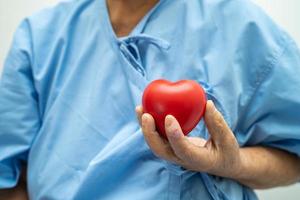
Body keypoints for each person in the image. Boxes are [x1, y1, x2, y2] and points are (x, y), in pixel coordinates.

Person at [1, 0, 300, 199]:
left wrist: (232, 164)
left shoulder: (243, 27)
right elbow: (9, 180)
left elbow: (294, 157)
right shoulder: (40, 37)